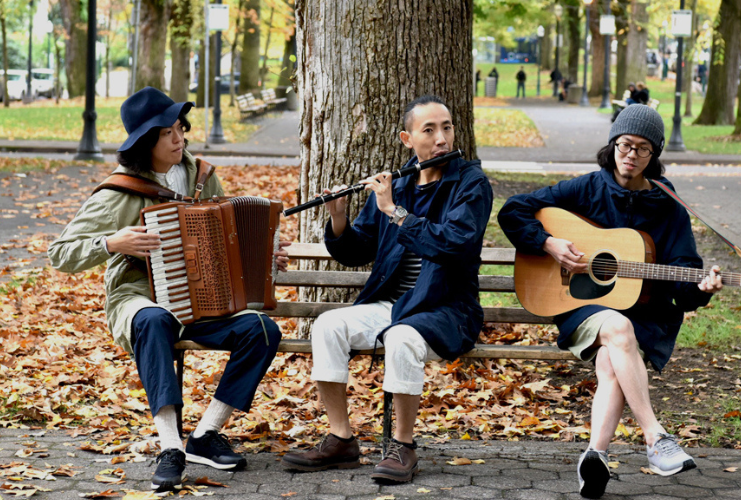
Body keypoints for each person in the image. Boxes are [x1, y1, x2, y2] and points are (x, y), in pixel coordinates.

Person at [48, 87, 290, 492]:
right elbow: (59, 253)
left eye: (180, 128)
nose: (179, 138)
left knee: (263, 329)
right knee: (155, 319)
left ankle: (205, 435)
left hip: (203, 300)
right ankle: (171, 445)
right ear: (146, 142)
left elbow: (229, 234)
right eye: (166, 133)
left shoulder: (202, 178)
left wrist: (265, 259)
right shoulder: (119, 192)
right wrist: (112, 243)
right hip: (139, 298)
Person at [498, 104, 723, 499]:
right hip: (579, 304)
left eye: (642, 149)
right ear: (612, 144)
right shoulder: (586, 188)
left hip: (645, 313)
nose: (631, 155)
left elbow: (684, 273)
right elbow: (514, 211)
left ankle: (595, 456)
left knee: (611, 360)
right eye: (624, 145)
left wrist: (700, 289)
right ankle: (655, 438)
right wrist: (548, 243)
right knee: (618, 329)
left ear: (654, 156)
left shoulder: (669, 205)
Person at [281, 95, 493, 484]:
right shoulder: (399, 184)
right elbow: (357, 249)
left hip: (445, 308)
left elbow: (454, 244)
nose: (441, 138)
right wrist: (339, 216)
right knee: (328, 326)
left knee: (401, 337)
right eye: (429, 130)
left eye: (446, 127)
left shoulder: (471, 184)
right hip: (394, 304)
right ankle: (341, 439)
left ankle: (403, 446)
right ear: (407, 139)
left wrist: (395, 211)